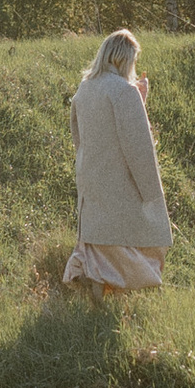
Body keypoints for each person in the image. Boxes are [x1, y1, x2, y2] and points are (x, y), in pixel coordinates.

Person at [64, 29, 172, 302]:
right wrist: (151, 192)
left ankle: (96, 287)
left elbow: (77, 133)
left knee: (99, 237)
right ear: (125, 59)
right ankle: (114, 291)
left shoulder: (85, 88)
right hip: (119, 179)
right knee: (136, 235)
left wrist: (139, 101)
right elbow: (137, 144)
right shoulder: (124, 91)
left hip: (90, 176)